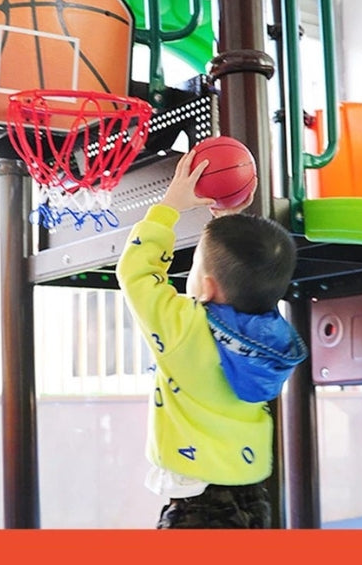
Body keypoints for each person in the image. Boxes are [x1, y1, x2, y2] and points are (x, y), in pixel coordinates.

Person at [115, 150, 308, 529]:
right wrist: (230, 223)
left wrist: (170, 205)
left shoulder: (184, 327)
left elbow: (136, 272)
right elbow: (246, 277)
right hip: (253, 492)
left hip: (198, 503)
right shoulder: (272, 336)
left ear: (205, 285)